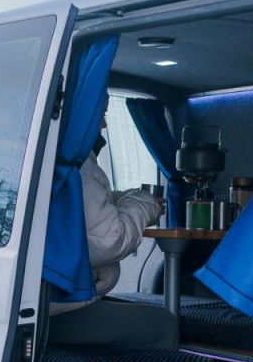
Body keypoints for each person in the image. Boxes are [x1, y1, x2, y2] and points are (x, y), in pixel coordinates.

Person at [49, 119, 176, 348]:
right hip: (58, 308)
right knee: (165, 323)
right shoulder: (79, 166)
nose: (105, 125)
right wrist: (146, 203)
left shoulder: (58, 155)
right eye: (101, 113)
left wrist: (131, 201)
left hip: (53, 301)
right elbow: (109, 241)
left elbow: (93, 210)